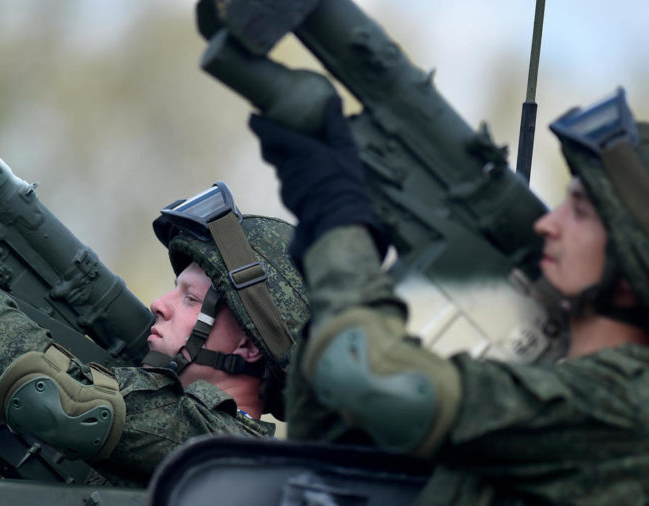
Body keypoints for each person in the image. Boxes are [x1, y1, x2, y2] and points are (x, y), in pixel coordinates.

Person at [248, 88, 649, 504]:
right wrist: (329, 265)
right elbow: (331, 456)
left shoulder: (628, 407)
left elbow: (372, 381)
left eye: (580, 212)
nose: (548, 224)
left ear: (633, 254)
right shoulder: (553, 377)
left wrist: (341, 233)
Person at [0, 180, 308, 502]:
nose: (160, 303)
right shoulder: (153, 440)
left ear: (250, 346)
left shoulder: (226, 453)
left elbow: (51, 397)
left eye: (190, 299)